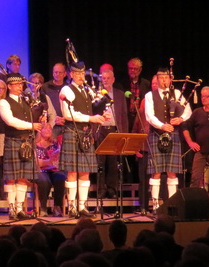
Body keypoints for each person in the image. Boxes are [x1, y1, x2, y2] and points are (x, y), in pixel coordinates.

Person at [60, 62, 112, 218]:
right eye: (77, 73)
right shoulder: (66, 90)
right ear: (71, 74)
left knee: (85, 172)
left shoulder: (87, 90)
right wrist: (91, 118)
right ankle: (72, 207)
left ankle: (82, 206)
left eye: (82, 73)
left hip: (86, 133)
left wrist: (103, 114)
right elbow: (68, 114)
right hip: (72, 132)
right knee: (72, 172)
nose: (81, 76)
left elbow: (96, 106)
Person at [144, 68, 191, 211]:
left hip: (174, 135)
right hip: (157, 134)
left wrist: (180, 119)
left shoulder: (177, 94)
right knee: (156, 171)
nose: (164, 80)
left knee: (172, 171)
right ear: (156, 79)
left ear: (170, 79)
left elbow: (188, 110)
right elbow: (149, 116)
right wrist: (162, 126)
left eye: (166, 77)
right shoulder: (149, 95)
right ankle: (156, 205)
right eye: (161, 78)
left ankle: (172, 205)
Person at [0, 73, 43, 220]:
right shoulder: (4, 102)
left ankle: (19, 209)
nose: (19, 87)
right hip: (13, 141)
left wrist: (40, 117)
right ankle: (11, 210)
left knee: (23, 177)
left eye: (21, 84)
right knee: (12, 177)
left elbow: (33, 117)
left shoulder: (26, 101)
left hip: (27, 141)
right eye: (16, 84)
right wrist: (32, 125)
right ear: (9, 86)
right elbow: (11, 121)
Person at [95, 70, 129, 198]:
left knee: (113, 161)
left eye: (108, 78)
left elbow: (124, 116)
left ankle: (112, 189)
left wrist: (124, 135)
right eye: (103, 78)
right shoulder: (96, 94)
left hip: (114, 129)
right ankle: (101, 189)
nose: (106, 80)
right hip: (101, 129)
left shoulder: (119, 95)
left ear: (113, 79)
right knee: (100, 161)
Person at [131, 75, 158, 215]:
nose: (154, 85)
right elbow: (135, 131)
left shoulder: (162, 109)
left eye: (156, 83)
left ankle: (156, 205)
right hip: (143, 149)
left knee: (156, 179)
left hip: (157, 150)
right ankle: (143, 207)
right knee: (143, 180)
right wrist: (135, 148)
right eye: (153, 83)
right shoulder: (141, 110)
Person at [35, 123, 66, 217]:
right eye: (46, 128)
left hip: (54, 170)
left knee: (60, 177)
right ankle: (43, 207)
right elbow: (37, 163)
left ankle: (57, 206)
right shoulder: (35, 145)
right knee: (44, 181)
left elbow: (59, 159)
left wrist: (55, 161)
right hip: (40, 171)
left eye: (50, 129)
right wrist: (50, 161)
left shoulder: (56, 144)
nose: (49, 130)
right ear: (40, 131)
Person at [41, 63, 67, 139]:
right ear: (53, 73)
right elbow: (42, 106)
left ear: (65, 74)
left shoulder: (68, 88)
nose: (57, 74)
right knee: (51, 149)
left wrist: (65, 119)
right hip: (51, 125)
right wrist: (53, 119)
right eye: (55, 72)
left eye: (60, 72)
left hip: (66, 124)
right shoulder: (45, 87)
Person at [126, 58, 152, 132]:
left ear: (140, 70)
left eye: (135, 69)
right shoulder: (123, 84)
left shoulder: (146, 84)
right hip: (127, 116)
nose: (132, 70)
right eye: (131, 68)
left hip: (140, 117)